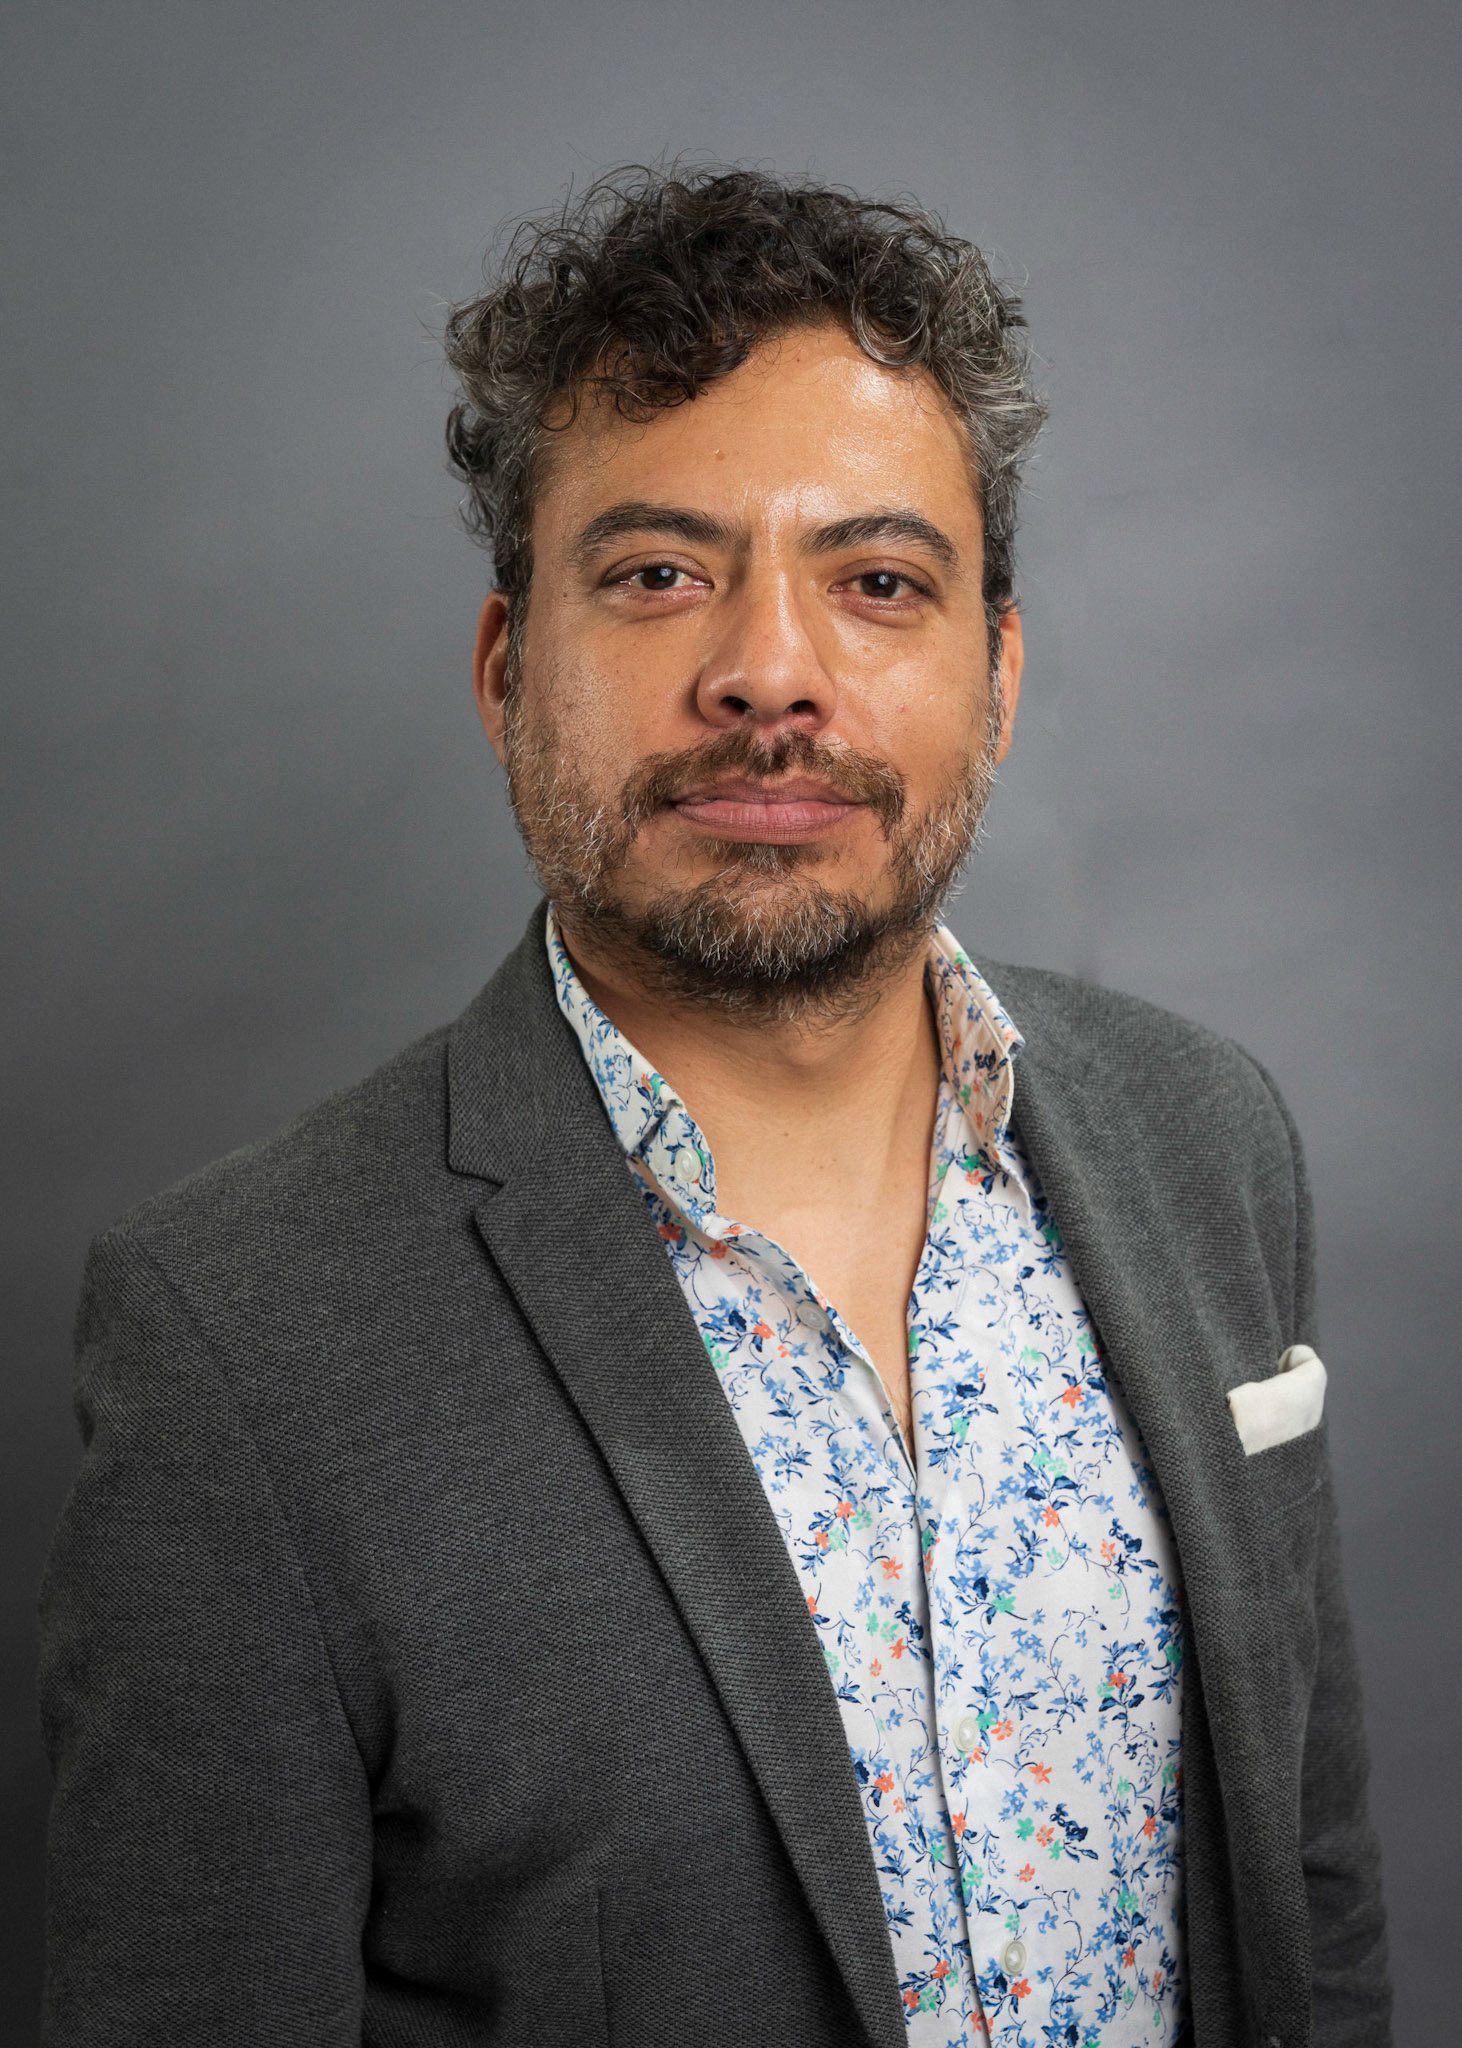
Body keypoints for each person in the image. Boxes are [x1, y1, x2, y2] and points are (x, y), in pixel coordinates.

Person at [37, 167, 1390, 2048]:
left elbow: (1302, 1892)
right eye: (658, 575)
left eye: (878, 583)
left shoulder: (1205, 1139)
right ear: (507, 671)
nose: (769, 673)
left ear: (997, 675)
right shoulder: (237, 1342)